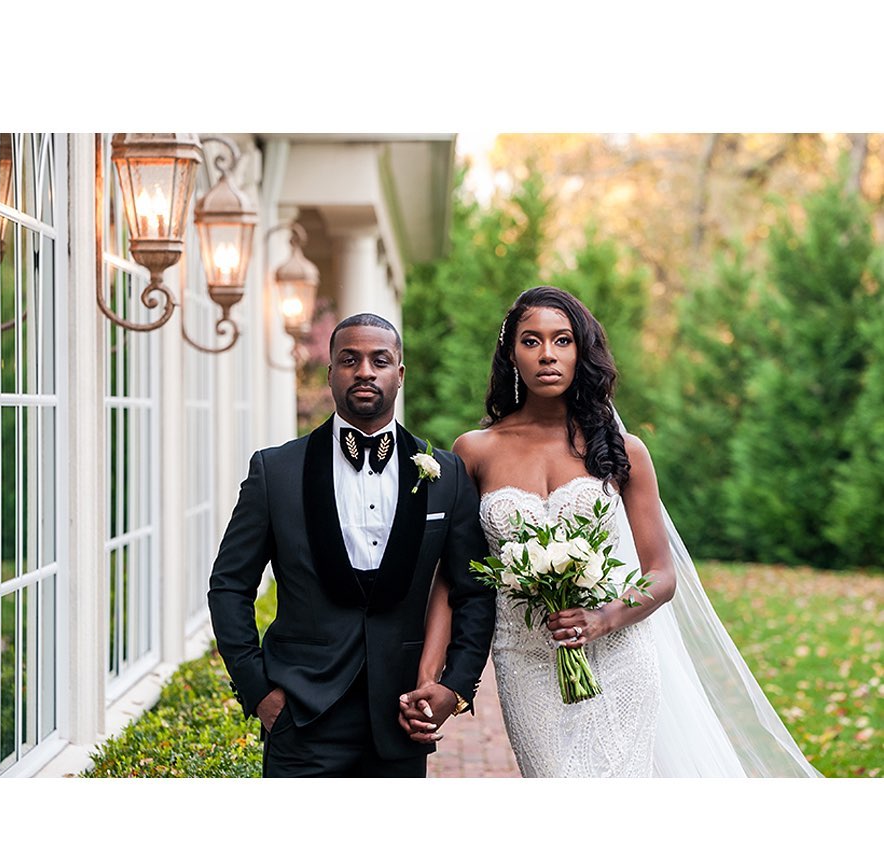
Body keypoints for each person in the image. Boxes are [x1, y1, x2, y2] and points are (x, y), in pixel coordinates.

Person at [400, 286, 820, 778]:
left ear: (581, 351)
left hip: (619, 653)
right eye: (531, 342)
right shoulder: (475, 451)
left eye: (562, 340)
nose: (548, 355)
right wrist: (431, 676)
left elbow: (661, 575)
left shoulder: (624, 450)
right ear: (510, 354)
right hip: (526, 659)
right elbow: (453, 578)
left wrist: (604, 618)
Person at [208, 313, 495, 777]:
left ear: (399, 374)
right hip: (301, 715)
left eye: (379, 360)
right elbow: (228, 586)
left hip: (402, 716)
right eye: (349, 359)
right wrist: (256, 689)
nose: (364, 371)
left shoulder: (447, 476)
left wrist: (455, 687)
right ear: (331, 373)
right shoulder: (275, 471)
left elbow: (474, 589)